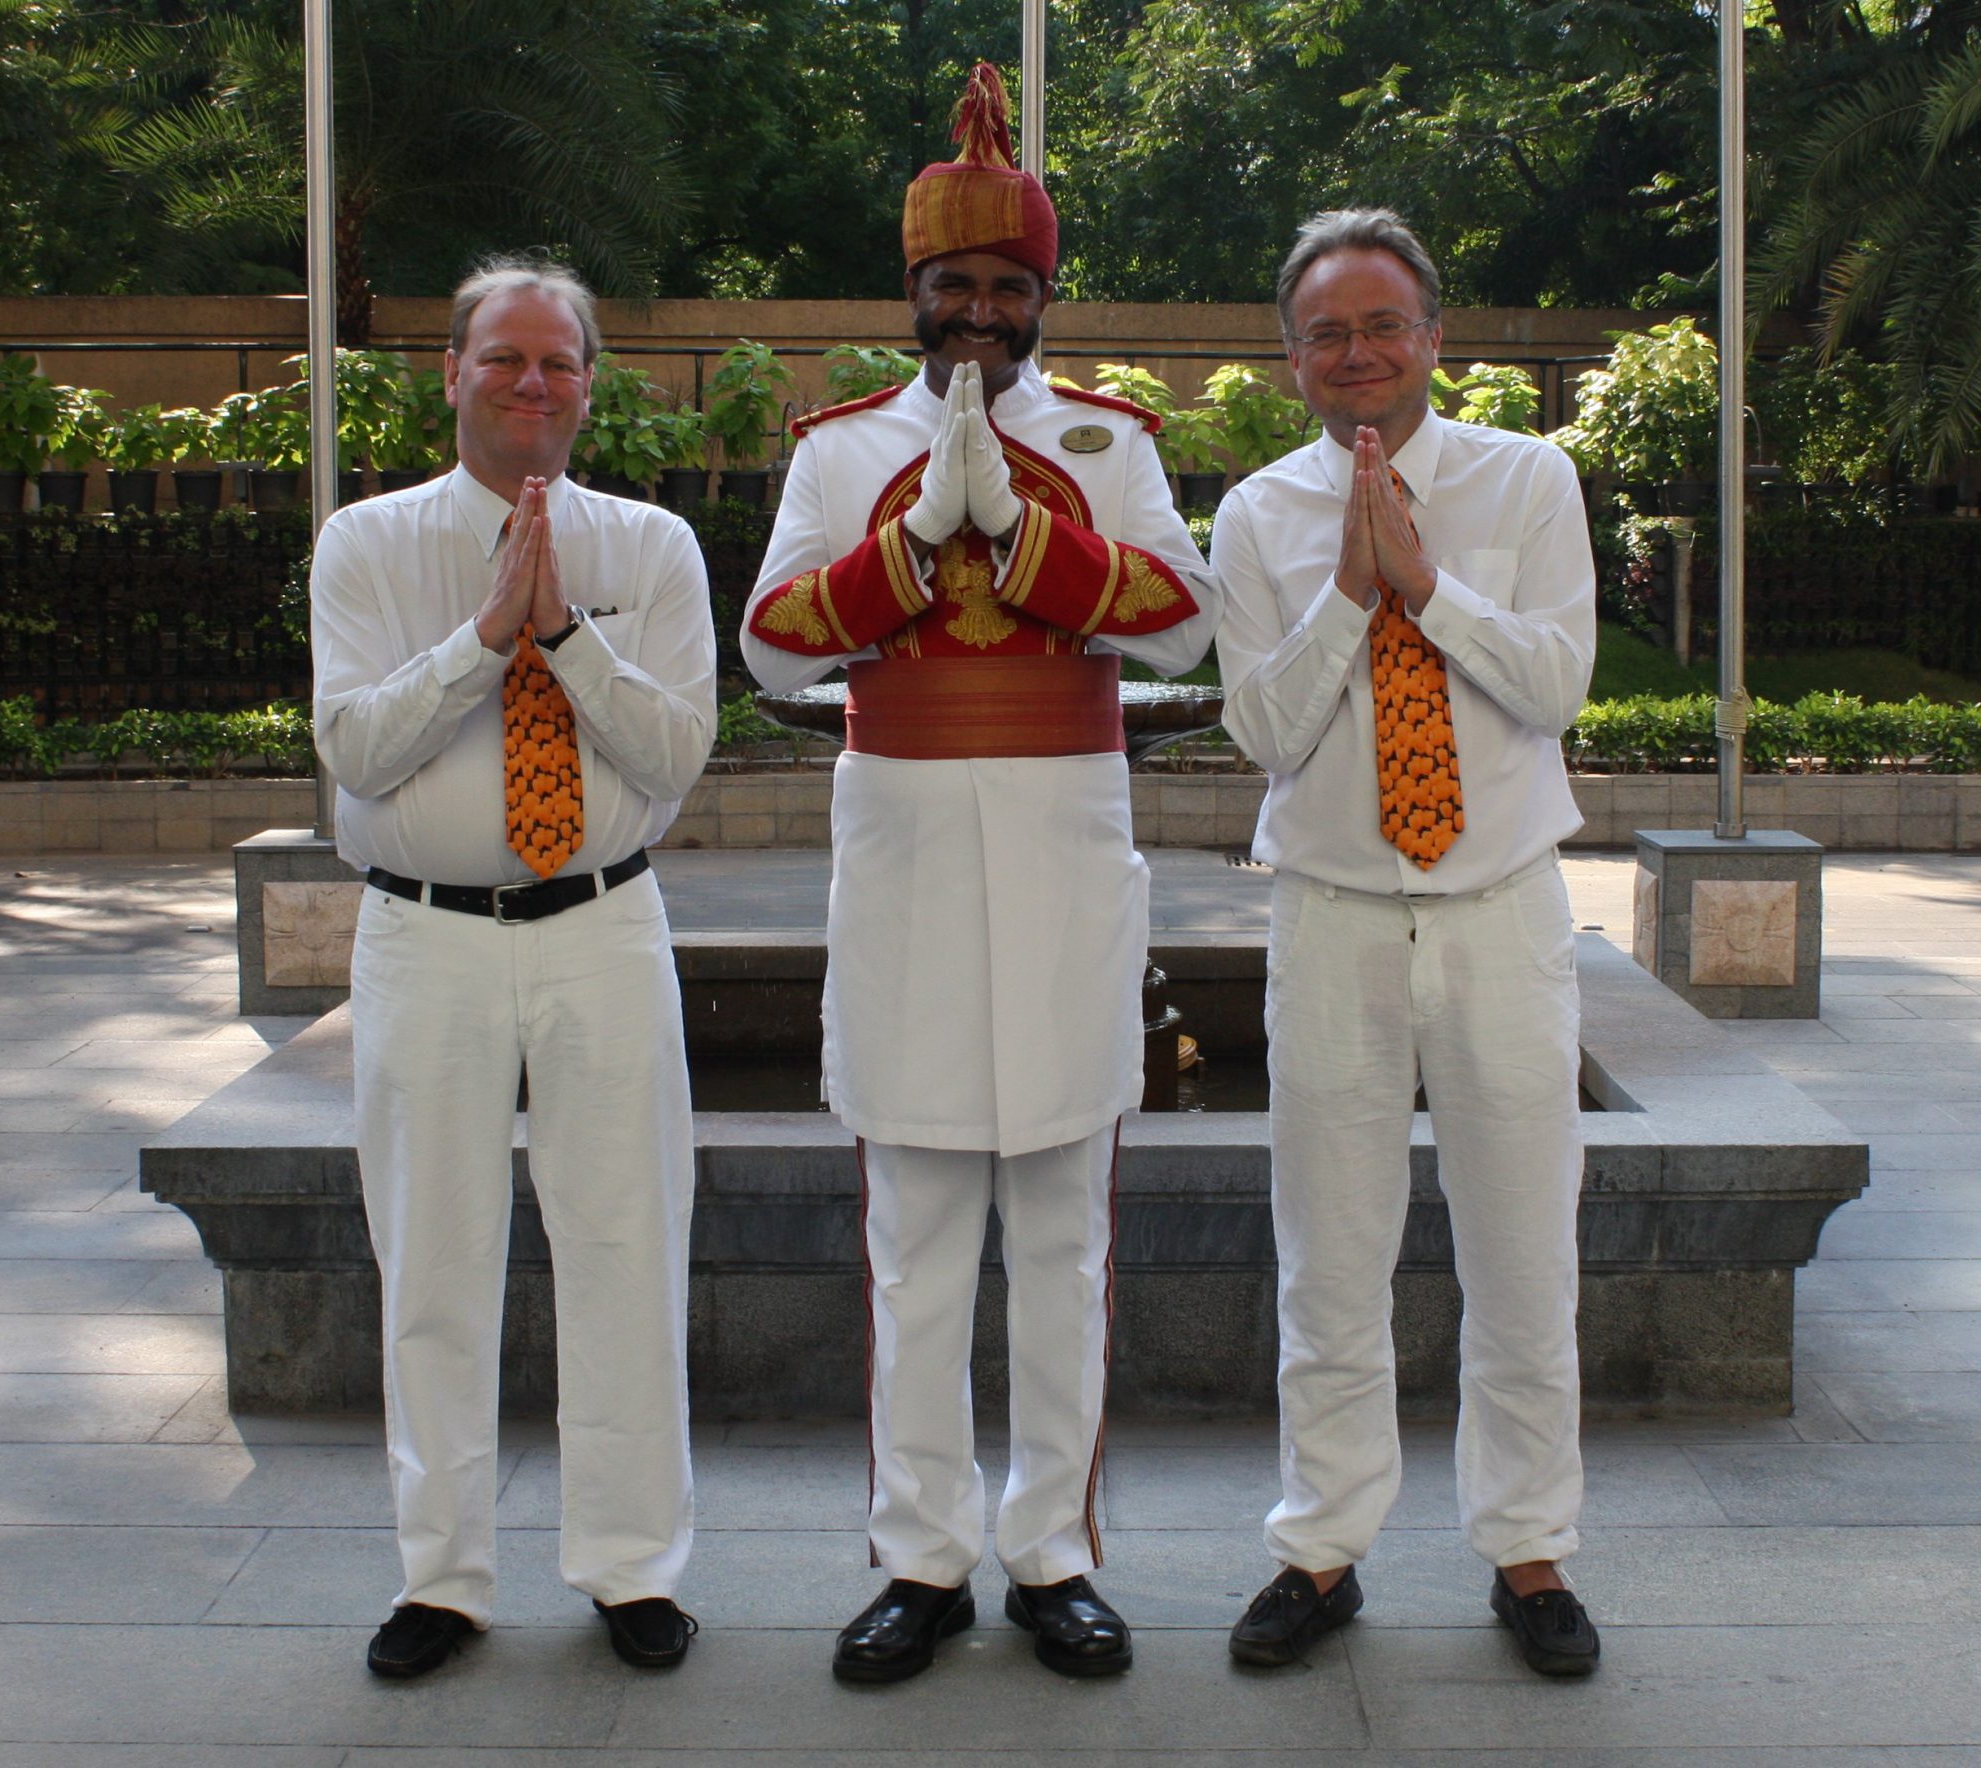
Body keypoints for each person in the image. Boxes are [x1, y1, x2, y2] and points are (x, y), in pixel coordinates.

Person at [737, 63, 1217, 1684]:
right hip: (910, 874)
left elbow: (1185, 616)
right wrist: (904, 543)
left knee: (1067, 1245)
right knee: (917, 1245)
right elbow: (772, 658)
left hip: (1069, 868)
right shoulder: (836, 449)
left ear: (1043, 296)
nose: (981, 312)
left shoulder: (1109, 437)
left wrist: (1025, 535)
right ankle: (921, 1562)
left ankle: (1056, 1554)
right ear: (914, 290)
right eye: (955, 283)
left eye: (1010, 286)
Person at [311, 255, 716, 1678]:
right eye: (504, 359)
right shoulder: (367, 544)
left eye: (557, 362)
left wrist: (564, 639)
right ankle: (446, 1577)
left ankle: (631, 1568)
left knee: (624, 1247)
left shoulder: (654, 549)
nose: (531, 384)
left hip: (603, 926)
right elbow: (356, 749)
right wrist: (486, 639)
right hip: (426, 934)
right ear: (453, 373)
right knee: (430, 1258)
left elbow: (675, 756)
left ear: (589, 384)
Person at [1210, 208, 1602, 1676]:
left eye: (1384, 326)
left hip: (1502, 912)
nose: (1358, 354)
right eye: (1328, 333)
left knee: (1521, 1251)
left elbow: (1559, 680)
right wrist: (1350, 592)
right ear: (1292, 358)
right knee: (1329, 1257)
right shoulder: (1256, 518)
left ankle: (1530, 1550)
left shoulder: (1528, 479)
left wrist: (1428, 586)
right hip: (1334, 918)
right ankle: (1321, 1548)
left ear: (1435, 336)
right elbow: (1262, 727)